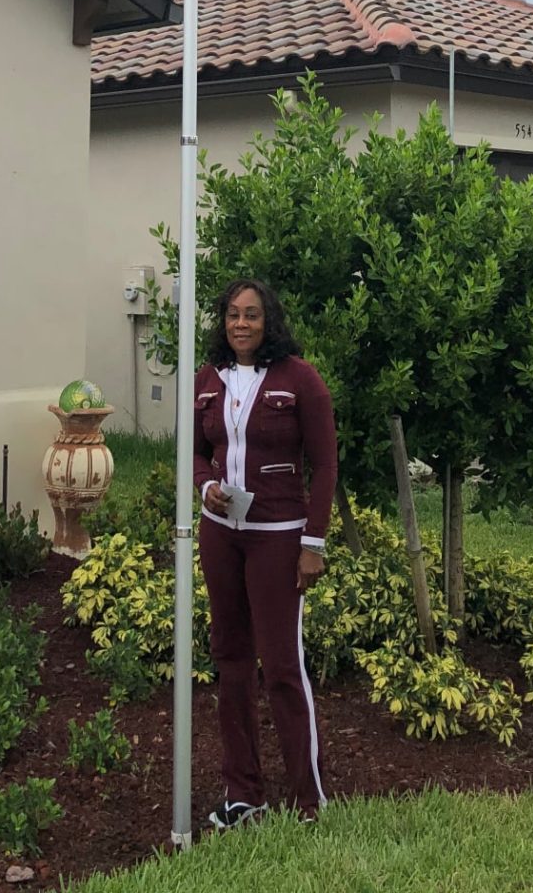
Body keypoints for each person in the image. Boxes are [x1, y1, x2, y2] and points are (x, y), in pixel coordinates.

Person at [194, 276, 338, 830]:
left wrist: (313, 543)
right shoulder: (210, 378)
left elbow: (324, 465)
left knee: (281, 666)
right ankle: (243, 794)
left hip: (279, 536)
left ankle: (307, 799)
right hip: (220, 534)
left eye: (251, 315)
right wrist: (204, 483)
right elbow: (197, 451)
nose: (241, 324)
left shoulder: (300, 379)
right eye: (232, 314)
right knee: (231, 660)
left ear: (268, 320)